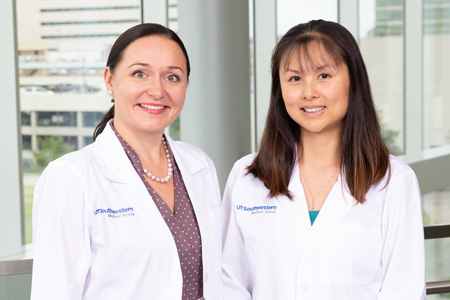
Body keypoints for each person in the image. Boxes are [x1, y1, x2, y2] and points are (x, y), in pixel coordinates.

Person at [221, 20, 425, 299]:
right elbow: (228, 282)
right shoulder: (247, 176)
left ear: (353, 81)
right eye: (295, 78)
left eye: (324, 75)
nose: (309, 92)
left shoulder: (393, 181)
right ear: (279, 91)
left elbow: (405, 290)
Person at [31, 23, 222, 300]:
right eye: (140, 74)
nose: (157, 91)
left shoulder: (200, 166)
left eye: (172, 77)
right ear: (110, 79)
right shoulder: (70, 178)